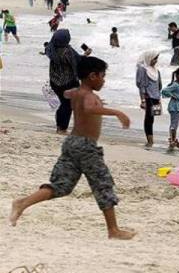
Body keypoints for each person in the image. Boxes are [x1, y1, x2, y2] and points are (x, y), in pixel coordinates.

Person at [9, 56, 135, 240]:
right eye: (102, 76)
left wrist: (74, 92)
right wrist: (117, 112)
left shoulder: (76, 93)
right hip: (85, 146)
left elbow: (67, 94)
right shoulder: (89, 96)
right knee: (103, 184)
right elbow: (89, 108)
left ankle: (22, 203)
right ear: (92, 76)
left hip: (71, 143)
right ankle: (113, 230)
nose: (104, 80)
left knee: (62, 186)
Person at [44, 29, 92, 133]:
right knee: (68, 105)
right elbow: (78, 61)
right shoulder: (67, 51)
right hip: (68, 82)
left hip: (55, 82)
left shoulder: (50, 49)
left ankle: (60, 126)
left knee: (64, 103)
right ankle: (62, 128)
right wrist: (86, 54)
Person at [136, 52, 162, 149]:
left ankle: (150, 139)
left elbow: (159, 86)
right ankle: (150, 140)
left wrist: (159, 99)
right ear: (149, 58)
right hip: (148, 97)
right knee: (149, 117)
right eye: (154, 59)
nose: (155, 61)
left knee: (153, 117)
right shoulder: (143, 70)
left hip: (156, 97)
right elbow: (141, 85)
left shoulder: (156, 71)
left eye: (156, 59)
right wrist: (142, 100)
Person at [161, 67, 179, 151]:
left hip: (178, 107)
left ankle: (172, 140)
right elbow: (164, 91)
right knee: (174, 124)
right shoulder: (176, 85)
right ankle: (172, 140)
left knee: (174, 124)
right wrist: (173, 96)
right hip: (175, 107)